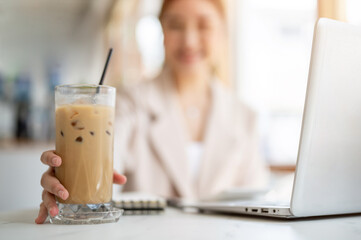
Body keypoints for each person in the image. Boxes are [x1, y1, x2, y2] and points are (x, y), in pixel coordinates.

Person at [35, 0, 269, 224]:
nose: (189, 40)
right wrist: (70, 181)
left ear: (223, 33)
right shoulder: (130, 102)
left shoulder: (245, 117)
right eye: (175, 25)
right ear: (162, 33)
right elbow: (107, 159)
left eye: (203, 25)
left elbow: (255, 201)